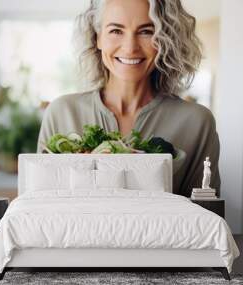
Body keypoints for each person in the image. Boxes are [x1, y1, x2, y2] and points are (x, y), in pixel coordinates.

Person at [36, 0, 220, 198]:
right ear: (98, 37)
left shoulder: (196, 122)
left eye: (146, 31)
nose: (130, 47)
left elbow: (205, 217)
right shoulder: (62, 113)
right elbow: (38, 207)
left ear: (165, 38)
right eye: (116, 30)